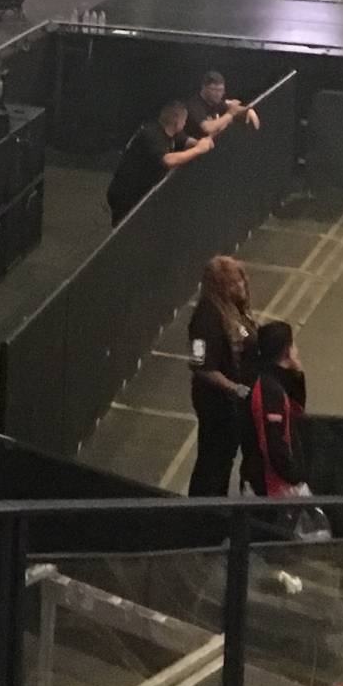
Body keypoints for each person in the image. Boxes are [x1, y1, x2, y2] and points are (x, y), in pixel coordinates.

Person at [185, 256, 257, 496]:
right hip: (217, 405)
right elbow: (200, 365)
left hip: (235, 404)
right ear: (218, 287)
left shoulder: (235, 308)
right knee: (212, 463)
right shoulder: (205, 319)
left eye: (241, 281)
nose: (240, 287)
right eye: (233, 284)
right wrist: (234, 388)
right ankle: (204, 516)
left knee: (226, 459)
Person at [106, 101, 214, 224]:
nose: (185, 123)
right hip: (126, 193)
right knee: (129, 233)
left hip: (140, 192)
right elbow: (168, 160)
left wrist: (201, 143)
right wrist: (198, 150)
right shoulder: (152, 134)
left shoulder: (170, 132)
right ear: (176, 120)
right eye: (184, 120)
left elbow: (186, 140)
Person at [237, 320, 309, 500]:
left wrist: (298, 375)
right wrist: (295, 477)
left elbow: (297, 411)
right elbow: (273, 446)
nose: (297, 350)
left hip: (277, 485)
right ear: (286, 351)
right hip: (270, 490)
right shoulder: (269, 391)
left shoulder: (279, 381)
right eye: (293, 345)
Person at [191, 69, 261, 141]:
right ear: (204, 87)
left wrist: (248, 110)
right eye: (214, 90)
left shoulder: (217, 103)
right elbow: (207, 128)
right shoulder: (194, 105)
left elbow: (235, 109)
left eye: (221, 90)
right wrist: (230, 114)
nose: (218, 94)